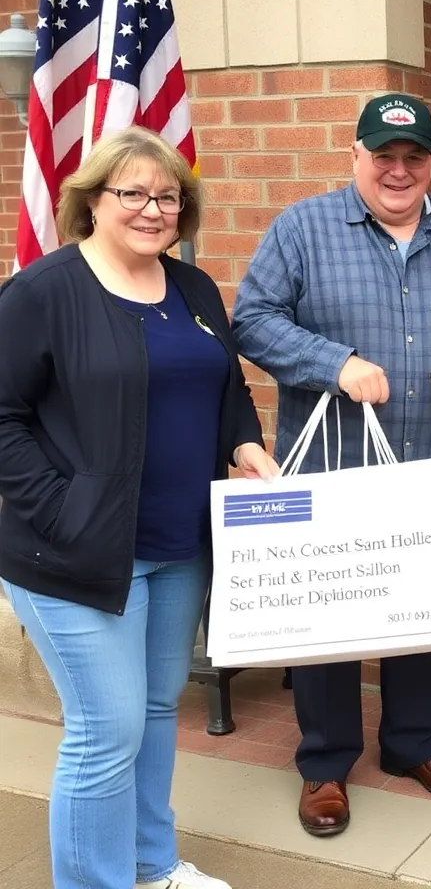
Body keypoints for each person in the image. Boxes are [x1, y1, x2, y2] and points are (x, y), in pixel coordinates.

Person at [231, 94, 431, 838]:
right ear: (356, 155)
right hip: (333, 475)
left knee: (424, 616)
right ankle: (326, 763)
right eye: (383, 155)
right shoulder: (303, 228)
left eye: (414, 156)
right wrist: (334, 363)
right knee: (329, 623)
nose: (399, 170)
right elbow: (253, 319)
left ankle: (412, 745)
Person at [0, 127, 276, 889]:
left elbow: (227, 390)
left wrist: (245, 443)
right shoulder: (43, 292)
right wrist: (63, 510)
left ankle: (153, 866)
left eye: (168, 196)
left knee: (156, 712)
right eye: (133, 193)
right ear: (92, 200)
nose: (153, 210)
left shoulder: (192, 289)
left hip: (178, 544)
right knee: (105, 730)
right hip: (72, 554)